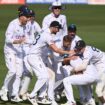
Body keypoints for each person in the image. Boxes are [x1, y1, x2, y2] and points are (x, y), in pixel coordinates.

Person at [25, 21, 72, 105]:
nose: (58, 31)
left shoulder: (44, 31)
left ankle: (41, 97)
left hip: (36, 56)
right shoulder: (47, 35)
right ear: (53, 27)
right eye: (57, 28)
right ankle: (32, 95)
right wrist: (69, 52)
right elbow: (56, 50)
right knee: (44, 76)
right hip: (34, 57)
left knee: (47, 76)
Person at [0, 5, 31, 102]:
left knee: (19, 73)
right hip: (10, 50)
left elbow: (26, 39)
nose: (28, 18)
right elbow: (7, 39)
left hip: (19, 51)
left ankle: (14, 94)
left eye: (29, 16)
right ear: (21, 15)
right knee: (13, 71)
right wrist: (18, 41)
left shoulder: (26, 26)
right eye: (26, 16)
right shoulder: (13, 24)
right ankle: (3, 91)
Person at [62, 40, 99, 105]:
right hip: (95, 76)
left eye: (80, 48)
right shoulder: (82, 55)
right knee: (84, 83)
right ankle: (90, 101)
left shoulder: (73, 60)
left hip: (89, 76)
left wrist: (72, 71)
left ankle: (71, 102)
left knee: (66, 80)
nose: (78, 49)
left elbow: (80, 69)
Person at [71, 40, 105, 105]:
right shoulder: (84, 49)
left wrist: (73, 70)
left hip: (102, 63)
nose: (78, 49)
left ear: (84, 47)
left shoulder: (87, 52)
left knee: (98, 88)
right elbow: (76, 53)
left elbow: (83, 66)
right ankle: (91, 98)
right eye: (77, 48)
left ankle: (98, 101)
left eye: (80, 48)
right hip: (97, 63)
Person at [19, 9, 42, 100]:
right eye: (30, 16)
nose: (31, 18)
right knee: (23, 71)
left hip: (31, 50)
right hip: (23, 49)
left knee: (28, 72)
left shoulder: (35, 24)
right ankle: (18, 91)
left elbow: (41, 33)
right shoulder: (24, 24)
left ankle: (22, 92)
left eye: (32, 16)